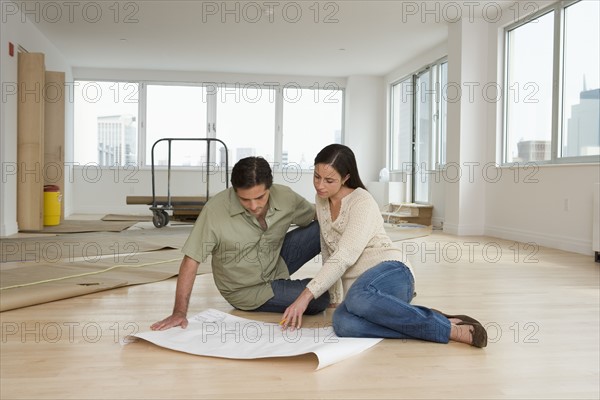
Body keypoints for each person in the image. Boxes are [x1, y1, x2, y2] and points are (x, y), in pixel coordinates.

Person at [280, 144, 487, 348]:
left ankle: (447, 328)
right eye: (316, 176)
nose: (320, 185)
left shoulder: (362, 201)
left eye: (329, 180)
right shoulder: (322, 200)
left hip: (393, 272)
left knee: (358, 297)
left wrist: (305, 297)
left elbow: (343, 256)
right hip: (362, 296)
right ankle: (417, 318)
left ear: (346, 177)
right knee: (344, 325)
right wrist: (334, 296)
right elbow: (328, 249)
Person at [152, 156, 330, 331]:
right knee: (320, 298)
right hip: (247, 290)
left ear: (270, 187)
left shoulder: (285, 197)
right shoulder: (214, 211)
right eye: (245, 199)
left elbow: (318, 215)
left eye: (260, 197)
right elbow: (191, 260)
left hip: (275, 262)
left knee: (324, 228)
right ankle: (306, 289)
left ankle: (312, 286)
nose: (253, 206)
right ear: (235, 191)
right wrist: (179, 312)